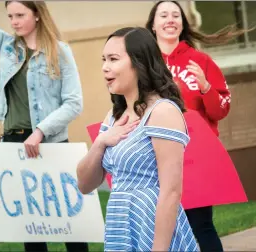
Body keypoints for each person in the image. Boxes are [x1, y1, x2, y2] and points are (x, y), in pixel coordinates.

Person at [0, 1, 88, 252]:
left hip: (52, 143)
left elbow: (74, 103)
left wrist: (40, 131)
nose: (13, 21)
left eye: (20, 15)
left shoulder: (61, 51)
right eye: (10, 16)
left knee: (71, 224)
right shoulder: (6, 47)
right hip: (14, 144)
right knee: (31, 228)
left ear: (37, 15)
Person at [77, 26, 199, 251]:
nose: (105, 67)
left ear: (139, 63)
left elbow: (171, 191)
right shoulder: (114, 117)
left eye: (113, 59)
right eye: (103, 59)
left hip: (154, 231)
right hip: (121, 225)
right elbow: (85, 184)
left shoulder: (163, 112)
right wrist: (101, 141)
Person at [145, 1, 251, 251]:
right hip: (156, 157)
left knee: (201, 225)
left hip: (196, 157)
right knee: (165, 228)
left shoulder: (200, 60)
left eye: (176, 15)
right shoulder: (144, 66)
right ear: (153, 25)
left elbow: (221, 110)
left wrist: (205, 87)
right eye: (164, 15)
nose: (170, 20)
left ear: (182, 24)